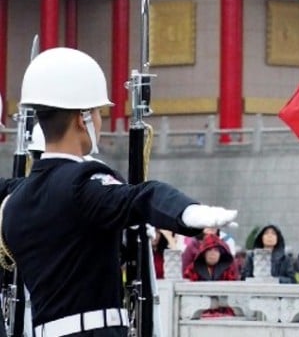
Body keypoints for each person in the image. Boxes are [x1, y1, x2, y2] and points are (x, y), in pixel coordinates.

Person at [0, 47, 236, 337]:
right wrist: (188, 212)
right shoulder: (82, 183)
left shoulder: (14, 203)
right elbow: (139, 197)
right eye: (98, 112)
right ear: (81, 119)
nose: (100, 121)